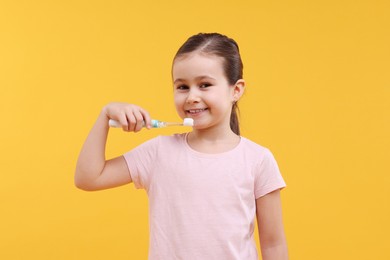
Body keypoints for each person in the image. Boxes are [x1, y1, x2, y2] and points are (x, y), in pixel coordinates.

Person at [75, 32, 288, 260]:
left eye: (205, 85)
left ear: (236, 90)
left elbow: (273, 245)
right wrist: (105, 116)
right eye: (182, 87)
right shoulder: (159, 152)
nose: (192, 97)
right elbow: (88, 178)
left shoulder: (257, 159)